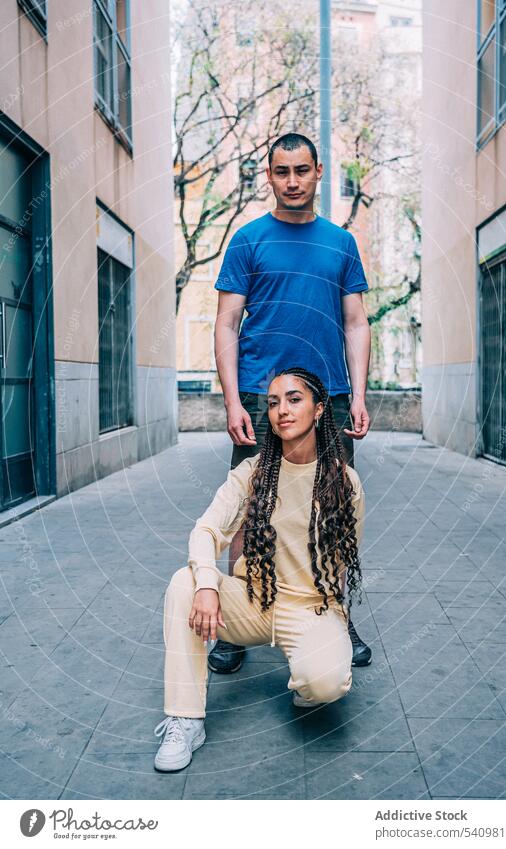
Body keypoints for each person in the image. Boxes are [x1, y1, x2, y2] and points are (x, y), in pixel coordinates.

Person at [209, 131, 372, 675]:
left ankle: (334, 612)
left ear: (319, 171)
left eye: (302, 170)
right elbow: (227, 322)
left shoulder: (341, 244)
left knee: (331, 509)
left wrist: (359, 395)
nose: (293, 181)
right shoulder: (248, 239)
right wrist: (233, 402)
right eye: (283, 171)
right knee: (247, 511)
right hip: (260, 393)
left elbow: (355, 322)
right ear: (270, 174)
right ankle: (234, 623)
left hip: (329, 397)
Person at [154, 368, 365, 772]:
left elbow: (342, 563)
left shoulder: (345, 482)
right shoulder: (253, 473)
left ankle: (309, 675)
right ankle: (186, 719)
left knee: (326, 683)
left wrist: (335, 625)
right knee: (185, 582)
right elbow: (205, 529)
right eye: (272, 402)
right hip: (253, 600)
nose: (281, 410)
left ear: (320, 409)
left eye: (294, 399)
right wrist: (207, 586)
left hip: (310, 608)